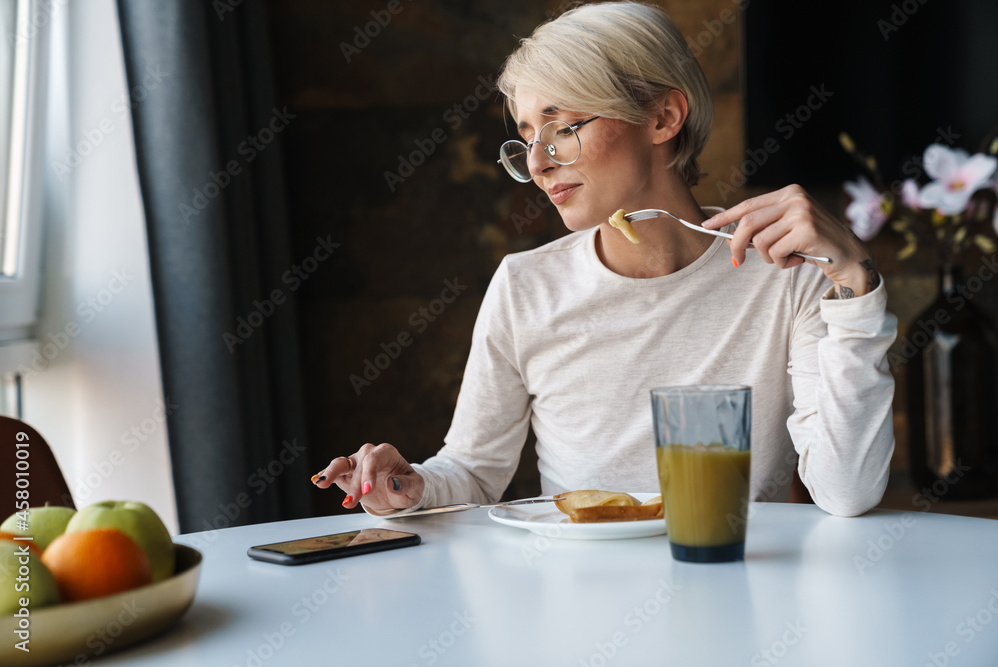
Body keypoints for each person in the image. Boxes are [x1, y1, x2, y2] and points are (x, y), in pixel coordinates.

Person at [311, 1, 896, 517]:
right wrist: (408, 487)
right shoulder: (526, 287)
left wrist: (854, 282)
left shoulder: (787, 276)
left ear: (664, 118)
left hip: (730, 587)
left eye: (562, 128)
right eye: (525, 139)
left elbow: (846, 491)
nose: (538, 165)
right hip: (580, 611)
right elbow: (472, 471)